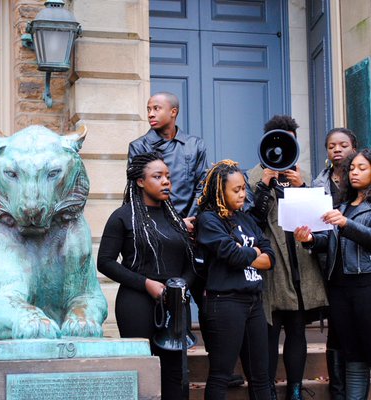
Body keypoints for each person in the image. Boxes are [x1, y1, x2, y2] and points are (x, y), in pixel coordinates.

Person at [294, 148, 371, 400]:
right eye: (352, 168)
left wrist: (344, 223)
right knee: (352, 356)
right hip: (342, 289)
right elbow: (329, 242)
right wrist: (310, 240)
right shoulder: (343, 205)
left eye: (362, 168)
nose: (354, 172)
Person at [97, 152, 196, 400]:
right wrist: (146, 283)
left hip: (175, 303)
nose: (166, 182)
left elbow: (191, 264)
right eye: (158, 176)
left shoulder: (175, 220)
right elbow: (105, 262)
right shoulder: (123, 217)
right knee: (142, 370)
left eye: (168, 177)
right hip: (137, 302)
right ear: (140, 181)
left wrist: (182, 286)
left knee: (176, 371)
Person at [247, 115, 328, 400]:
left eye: (292, 140)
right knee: (269, 330)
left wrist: (303, 187)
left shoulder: (300, 174)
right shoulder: (253, 176)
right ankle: (266, 388)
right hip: (271, 265)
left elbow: (317, 219)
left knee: (296, 329)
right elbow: (250, 220)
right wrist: (264, 185)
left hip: (299, 265)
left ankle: (295, 388)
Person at [196, 160, 275, 400]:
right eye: (236, 190)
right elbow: (231, 254)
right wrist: (253, 254)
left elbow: (270, 257)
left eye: (243, 188)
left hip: (253, 302)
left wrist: (246, 253)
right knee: (221, 375)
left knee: (261, 377)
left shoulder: (246, 219)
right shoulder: (209, 220)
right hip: (225, 303)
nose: (243, 194)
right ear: (221, 191)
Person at [311, 127, 358, 399]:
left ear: (353, 147)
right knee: (337, 327)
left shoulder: (364, 180)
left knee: (353, 327)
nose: (336, 150)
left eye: (342, 144)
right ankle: (338, 390)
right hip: (328, 262)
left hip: (358, 262)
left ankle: (353, 386)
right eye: (331, 146)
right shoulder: (319, 183)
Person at [128, 92, 207, 221]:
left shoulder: (195, 145)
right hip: (154, 225)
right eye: (148, 109)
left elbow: (202, 187)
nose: (150, 114)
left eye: (156, 108)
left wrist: (190, 219)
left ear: (173, 112)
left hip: (190, 223)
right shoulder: (138, 147)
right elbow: (137, 191)